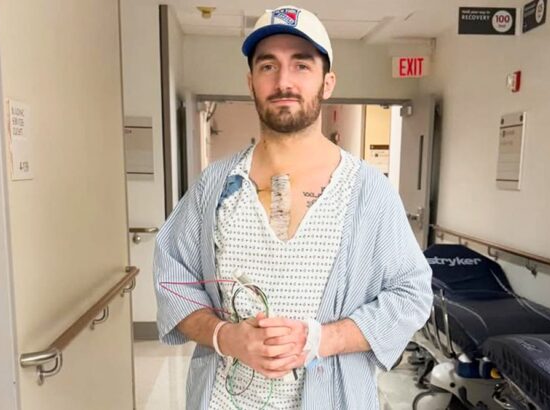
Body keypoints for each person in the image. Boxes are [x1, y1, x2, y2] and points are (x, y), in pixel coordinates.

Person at [154, 5, 432, 410]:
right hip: (223, 400)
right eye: (268, 66)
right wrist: (225, 337)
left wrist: (322, 339)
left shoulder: (369, 193)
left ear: (327, 82)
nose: (283, 81)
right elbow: (172, 282)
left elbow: (411, 294)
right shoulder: (214, 187)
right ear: (250, 82)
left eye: (301, 65)